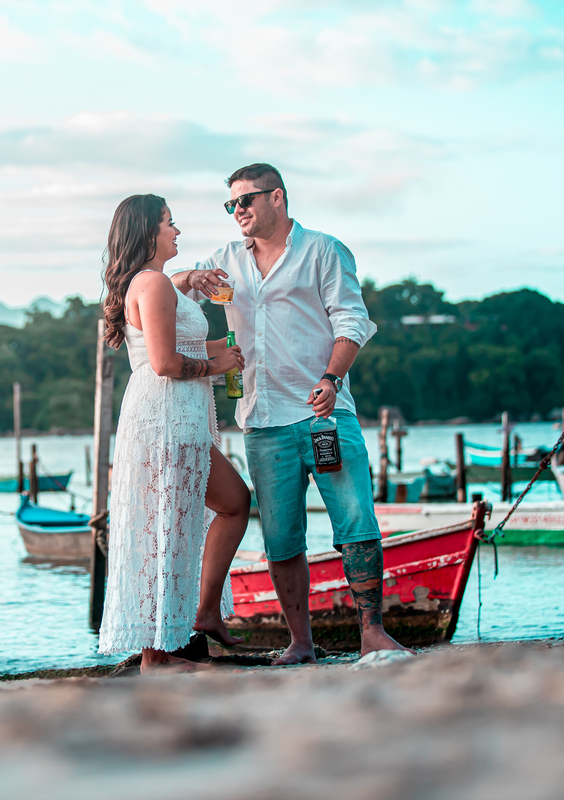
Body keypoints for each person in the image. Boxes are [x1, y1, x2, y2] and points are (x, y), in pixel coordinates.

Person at [171, 163, 410, 664]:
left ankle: (372, 632)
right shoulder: (226, 260)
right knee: (281, 539)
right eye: (231, 204)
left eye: (246, 200)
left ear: (276, 197)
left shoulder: (324, 250)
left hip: (324, 412)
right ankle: (301, 642)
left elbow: (353, 320)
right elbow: (170, 292)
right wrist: (192, 275)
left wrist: (332, 378)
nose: (238, 211)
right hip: (262, 422)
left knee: (355, 521)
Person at [97, 194, 251, 674]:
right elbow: (164, 363)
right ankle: (157, 657)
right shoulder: (154, 284)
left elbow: (171, 346)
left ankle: (199, 618)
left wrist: (218, 351)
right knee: (169, 523)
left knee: (221, 507)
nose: (178, 231)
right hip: (164, 416)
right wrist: (215, 363)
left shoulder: (156, 284)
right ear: (148, 233)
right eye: (170, 223)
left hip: (173, 417)